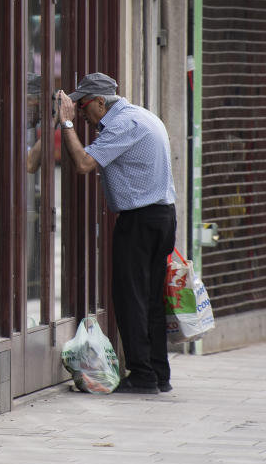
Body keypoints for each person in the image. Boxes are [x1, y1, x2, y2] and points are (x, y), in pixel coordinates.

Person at [55, 73, 177, 395]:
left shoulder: (123, 125)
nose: (81, 114)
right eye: (77, 110)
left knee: (130, 298)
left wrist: (66, 125)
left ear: (99, 102)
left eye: (82, 107)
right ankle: (157, 373)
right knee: (150, 298)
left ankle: (142, 374)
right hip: (161, 216)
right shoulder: (142, 115)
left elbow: (83, 163)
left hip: (140, 219)